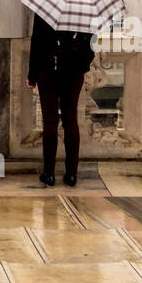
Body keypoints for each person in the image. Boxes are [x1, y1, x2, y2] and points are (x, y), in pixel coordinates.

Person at [27, 15, 94, 188]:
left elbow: (37, 42)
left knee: (50, 121)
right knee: (70, 120)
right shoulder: (82, 6)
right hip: (73, 72)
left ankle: (48, 174)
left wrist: (32, 75)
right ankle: (71, 174)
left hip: (47, 70)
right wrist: (82, 62)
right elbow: (92, 42)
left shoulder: (44, 5)